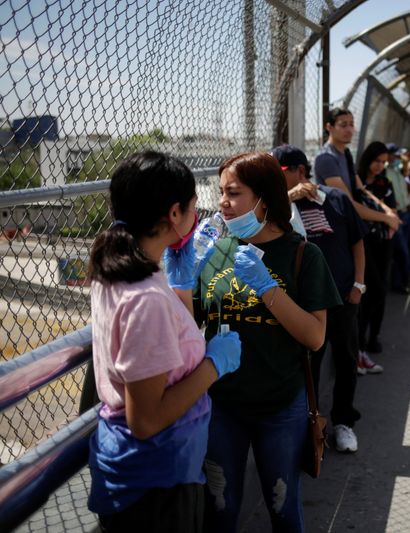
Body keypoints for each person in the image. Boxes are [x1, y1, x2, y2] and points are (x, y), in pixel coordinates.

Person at [87, 151, 242, 532]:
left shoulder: (116, 269)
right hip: (155, 485)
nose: (197, 217)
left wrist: (179, 283)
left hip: (150, 475)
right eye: (193, 208)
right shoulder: (145, 299)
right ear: (174, 214)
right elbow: (147, 420)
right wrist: (214, 365)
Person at [196, 152, 341, 532]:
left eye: (234, 193)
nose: (223, 202)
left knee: (283, 507)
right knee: (219, 508)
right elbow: (188, 319)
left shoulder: (303, 256)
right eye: (221, 192)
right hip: (222, 404)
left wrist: (267, 287)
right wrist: (177, 273)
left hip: (280, 406)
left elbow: (314, 336)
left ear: (264, 199)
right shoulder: (215, 253)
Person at [273, 143, 367, 452]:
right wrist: (287, 198)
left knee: (346, 358)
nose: (275, 178)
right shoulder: (279, 205)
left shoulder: (336, 199)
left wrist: (358, 285)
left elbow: (357, 242)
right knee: (307, 366)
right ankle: (309, 426)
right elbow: (262, 225)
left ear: (301, 171)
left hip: (341, 297)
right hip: (304, 303)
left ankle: (343, 422)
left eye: (280, 173)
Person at [313, 107, 400, 235]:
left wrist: (388, 210)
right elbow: (348, 204)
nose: (349, 130)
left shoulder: (346, 154)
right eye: (343, 125)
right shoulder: (326, 159)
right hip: (335, 228)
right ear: (329, 127)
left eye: (351, 124)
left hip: (351, 224)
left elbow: (362, 189)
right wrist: (386, 218)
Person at [356, 141, 396, 367]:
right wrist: (383, 217)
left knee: (380, 291)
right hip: (364, 243)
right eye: (377, 161)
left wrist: (387, 219)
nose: (380, 166)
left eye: (383, 162)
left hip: (383, 242)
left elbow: (392, 212)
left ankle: (372, 338)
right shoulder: (355, 183)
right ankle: (360, 345)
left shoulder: (384, 183)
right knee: (371, 290)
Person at [385, 143, 410, 293]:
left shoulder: (397, 172)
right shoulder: (385, 173)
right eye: (395, 155)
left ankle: (398, 283)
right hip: (396, 215)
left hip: (405, 212)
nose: (398, 158)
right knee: (402, 251)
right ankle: (403, 281)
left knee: (402, 250)